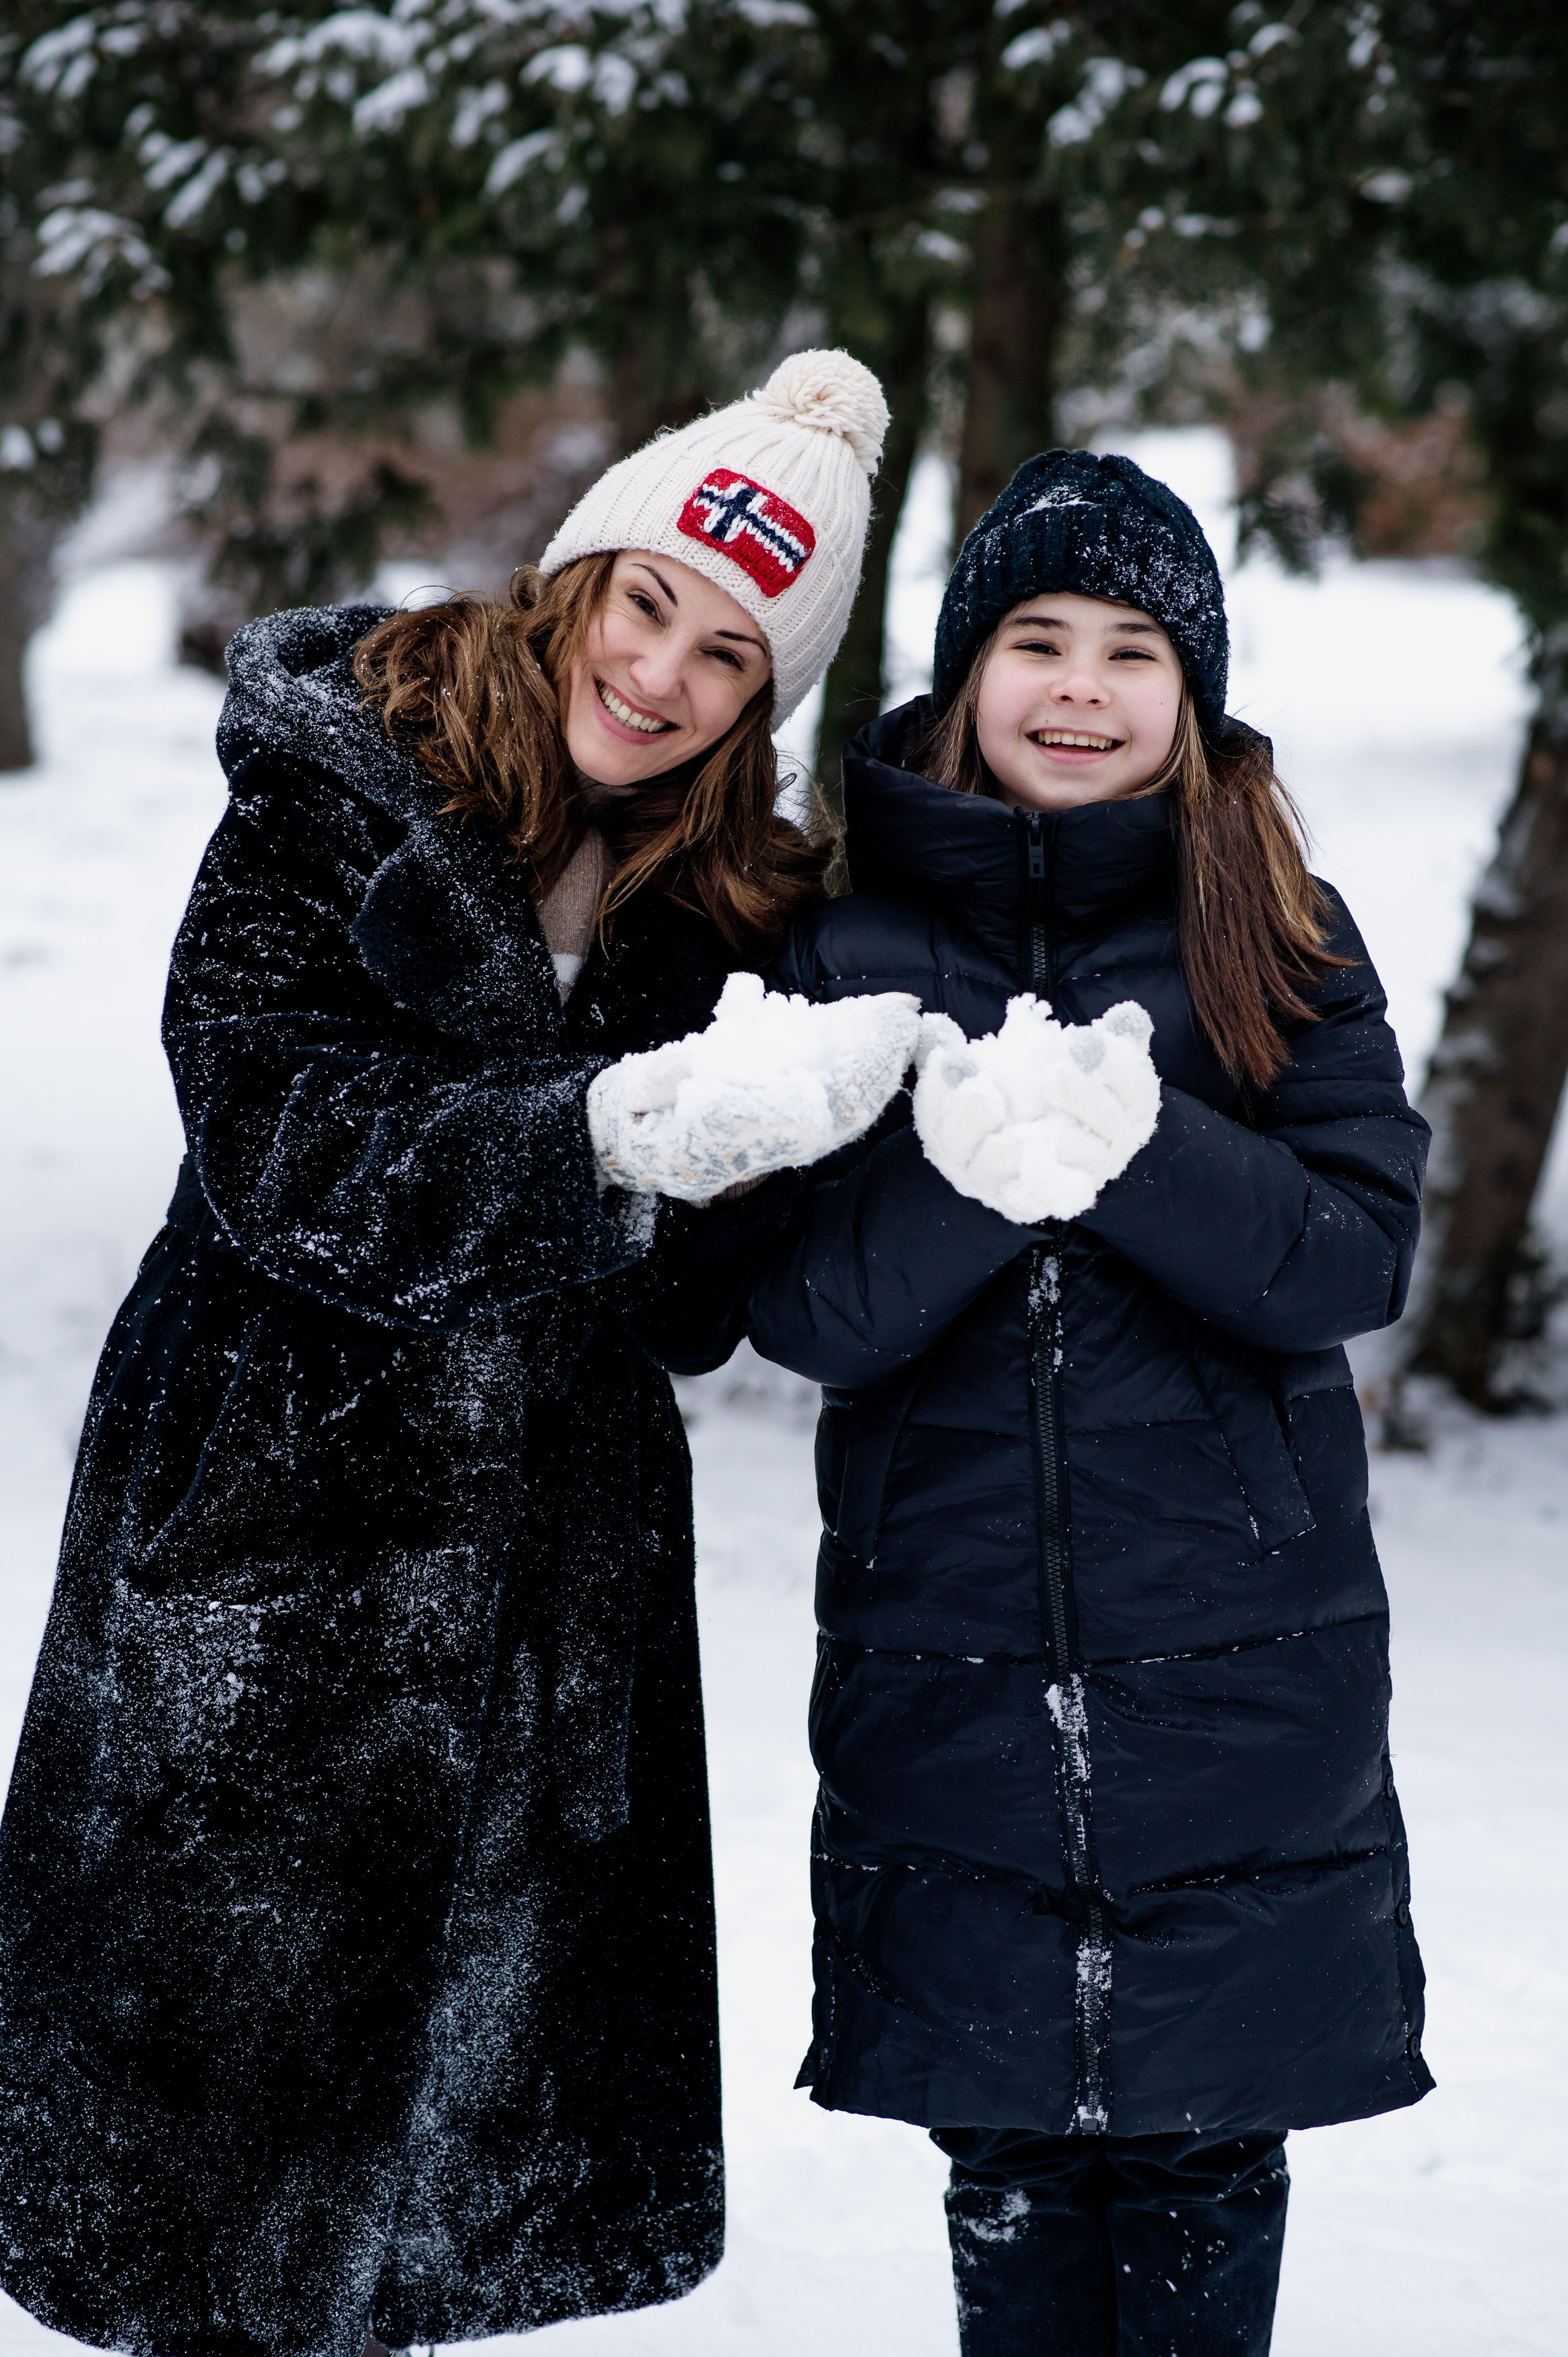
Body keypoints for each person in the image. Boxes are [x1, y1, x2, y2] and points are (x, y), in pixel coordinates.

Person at [0, 351, 910, 2357]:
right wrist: (592, 1141)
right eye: (647, 601)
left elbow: (676, 1313)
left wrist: (758, 1136)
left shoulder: (722, 896)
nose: (663, 671)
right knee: (216, 2204)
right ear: (574, 576)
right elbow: (274, 1138)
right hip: (266, 1529)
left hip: (533, 1602)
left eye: (731, 652)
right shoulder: (344, 785)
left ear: (765, 699)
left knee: (420, 2195)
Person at [746, 449, 1435, 2355]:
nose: (1077, 682)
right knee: (1009, 2160)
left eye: (1132, 647)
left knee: (1206, 2154)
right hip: (940, 1676)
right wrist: (965, 1180)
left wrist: (1133, 1151)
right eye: (1032, 637)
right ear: (964, 670)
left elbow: (1349, 1255)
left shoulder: (1270, 932)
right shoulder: (847, 943)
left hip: (1240, 1683)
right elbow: (798, 1304)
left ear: (1189, 691)